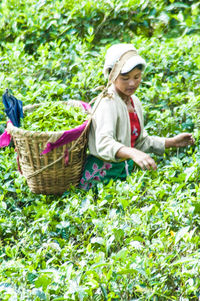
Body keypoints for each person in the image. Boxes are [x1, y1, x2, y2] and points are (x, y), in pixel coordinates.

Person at [80, 43, 195, 190]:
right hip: (101, 178)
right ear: (112, 76)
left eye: (137, 76)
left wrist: (172, 142)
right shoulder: (107, 102)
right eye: (125, 78)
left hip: (123, 174)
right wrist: (133, 153)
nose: (132, 83)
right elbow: (104, 143)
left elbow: (139, 141)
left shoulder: (134, 102)